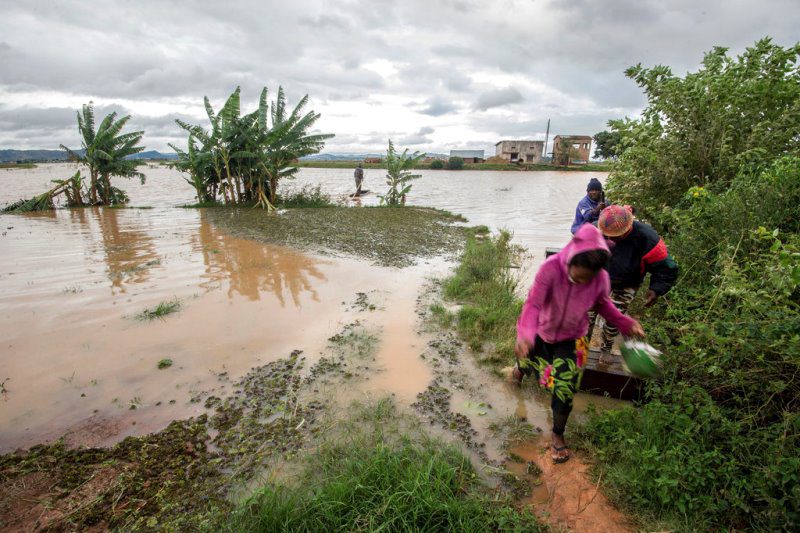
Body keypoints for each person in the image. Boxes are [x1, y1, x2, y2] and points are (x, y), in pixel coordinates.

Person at [513, 224, 645, 464]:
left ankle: (557, 435)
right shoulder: (550, 269)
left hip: (572, 338)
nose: (580, 281)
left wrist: (626, 323)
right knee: (526, 357)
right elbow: (533, 305)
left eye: (587, 278)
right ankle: (519, 371)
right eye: (577, 275)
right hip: (541, 331)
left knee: (565, 386)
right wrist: (525, 334)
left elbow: (603, 305)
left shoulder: (601, 279)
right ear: (571, 258)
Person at [589, 205, 678, 364]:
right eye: (608, 236)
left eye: (616, 237)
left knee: (613, 319)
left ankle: (606, 348)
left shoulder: (647, 238)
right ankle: (579, 348)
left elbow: (666, 267)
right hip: (598, 278)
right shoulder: (597, 230)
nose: (612, 240)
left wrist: (656, 289)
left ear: (627, 229)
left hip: (627, 281)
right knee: (586, 316)